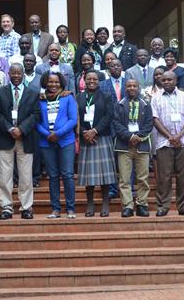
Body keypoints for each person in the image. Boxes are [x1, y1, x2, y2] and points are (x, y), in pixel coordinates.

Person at [0, 64, 40, 220]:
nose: (15, 76)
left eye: (18, 73)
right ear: (9, 74)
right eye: (13, 73)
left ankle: (26, 207)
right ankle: (6, 207)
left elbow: (35, 115)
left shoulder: (32, 93)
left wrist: (21, 129)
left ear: (23, 74)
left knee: (26, 176)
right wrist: (9, 128)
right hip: (5, 138)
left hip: (25, 138)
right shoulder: (0, 92)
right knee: (4, 176)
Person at [151, 71, 184, 217]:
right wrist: (170, 136)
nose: (166, 82)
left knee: (183, 176)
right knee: (164, 176)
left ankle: (183, 206)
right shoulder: (156, 97)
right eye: (163, 80)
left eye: (169, 80)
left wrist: (178, 136)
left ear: (176, 81)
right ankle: (163, 206)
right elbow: (155, 119)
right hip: (164, 143)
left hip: (183, 142)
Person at [36, 72, 78, 219]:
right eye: (50, 82)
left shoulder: (68, 98)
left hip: (66, 141)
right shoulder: (40, 99)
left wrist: (58, 133)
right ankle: (55, 209)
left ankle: (70, 208)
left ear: (61, 83)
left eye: (56, 82)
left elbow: (73, 120)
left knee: (67, 174)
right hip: (46, 141)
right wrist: (47, 134)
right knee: (53, 176)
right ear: (45, 83)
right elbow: (36, 120)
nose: (53, 85)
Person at [76, 70, 116, 218]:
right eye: (89, 79)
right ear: (84, 81)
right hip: (86, 139)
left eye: (95, 79)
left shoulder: (106, 96)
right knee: (89, 175)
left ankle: (105, 202)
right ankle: (90, 203)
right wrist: (85, 133)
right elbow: (77, 118)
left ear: (99, 81)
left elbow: (109, 115)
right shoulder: (79, 97)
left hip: (102, 137)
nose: (92, 81)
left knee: (105, 173)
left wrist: (95, 130)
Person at [114, 79, 154, 218]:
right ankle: (128, 206)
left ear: (138, 87)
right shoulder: (119, 105)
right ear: (125, 88)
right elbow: (116, 123)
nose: (132, 88)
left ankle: (142, 204)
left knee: (143, 177)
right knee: (124, 179)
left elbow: (149, 124)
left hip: (141, 145)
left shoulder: (146, 105)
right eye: (129, 86)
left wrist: (138, 136)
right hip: (124, 146)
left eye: (134, 86)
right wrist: (129, 136)